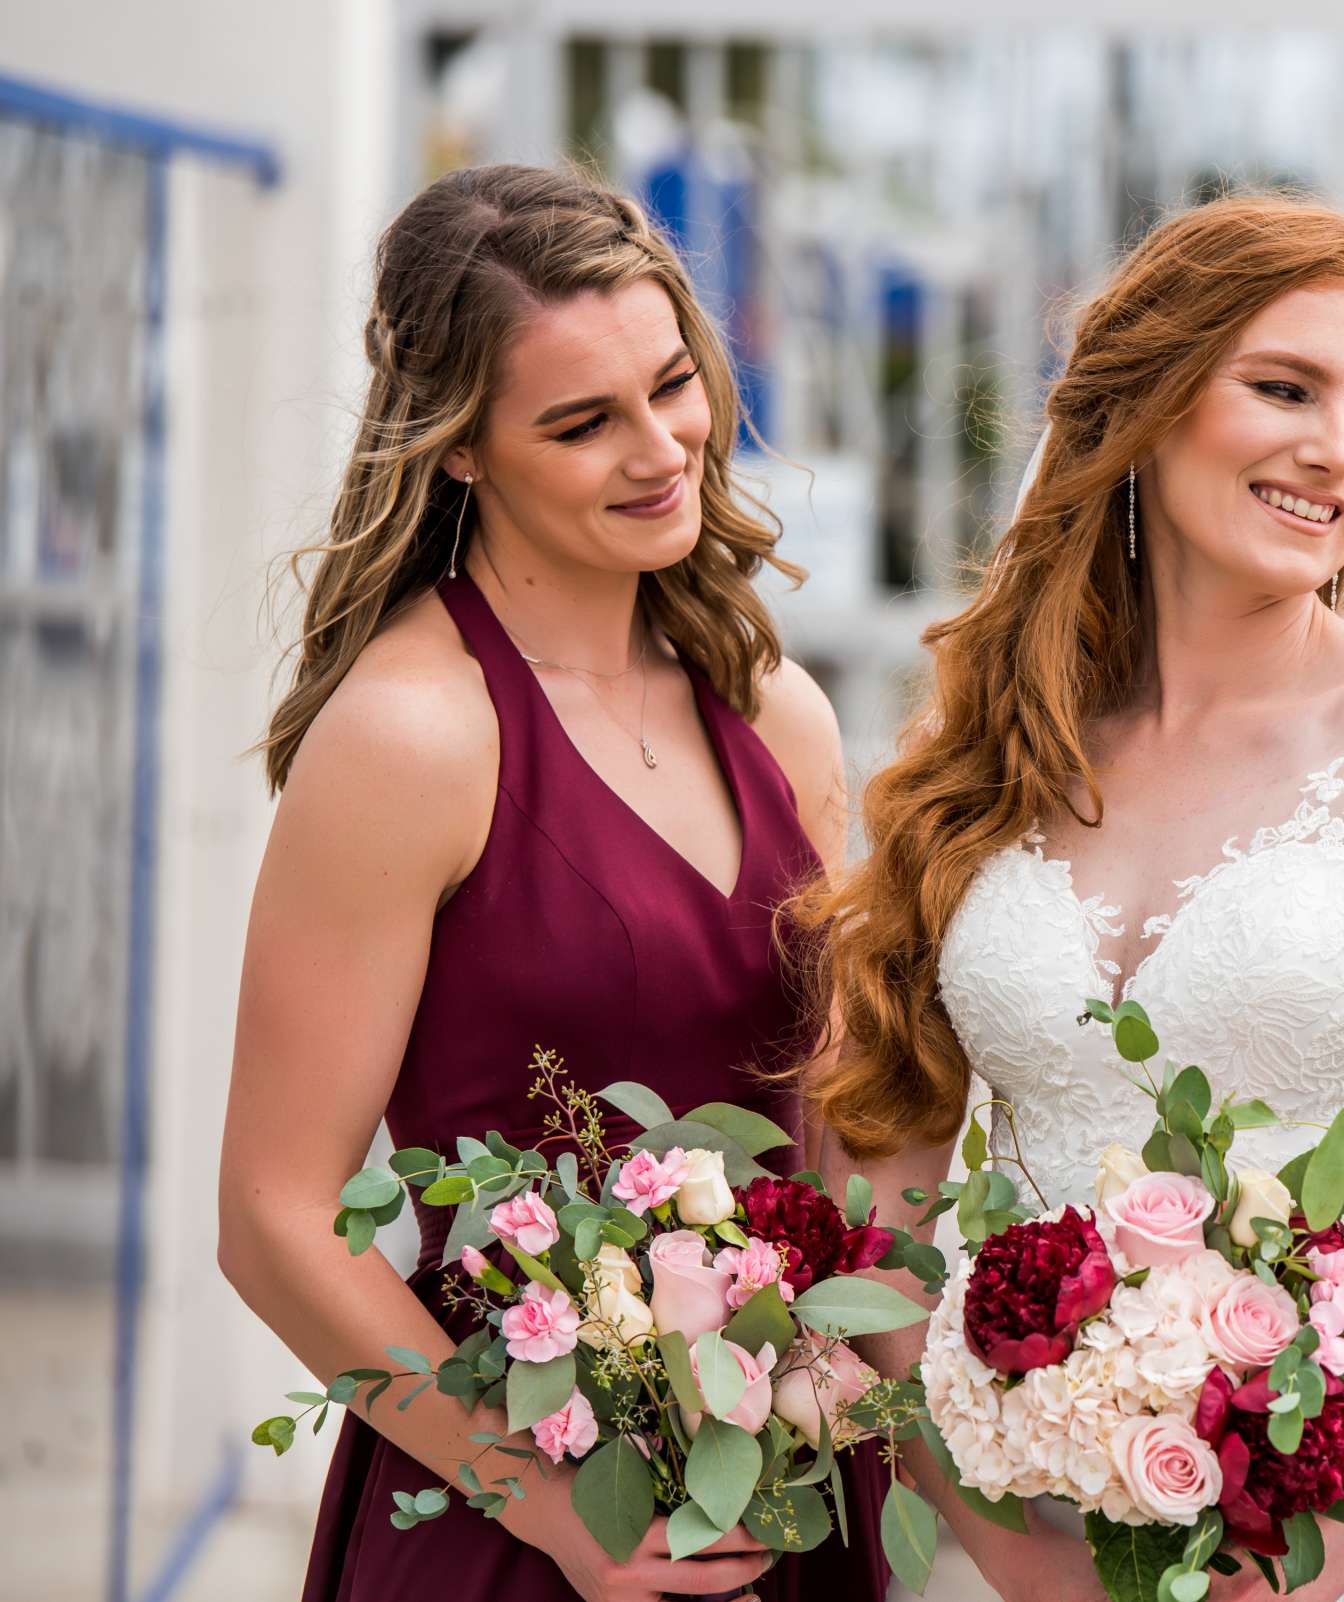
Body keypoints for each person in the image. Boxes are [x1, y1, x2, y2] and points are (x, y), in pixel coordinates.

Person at [797, 195, 1344, 1602]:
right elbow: (888, 1168)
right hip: (1001, 1540)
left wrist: (1307, 1550)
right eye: (1283, 389)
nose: (1334, 451)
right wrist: (985, 1533)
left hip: (1320, 1550)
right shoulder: (992, 749)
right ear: (1149, 409)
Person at [218, 164, 884, 1602]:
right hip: (512, 1517)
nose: (662, 450)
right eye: (584, 422)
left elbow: (831, 1121)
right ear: (460, 448)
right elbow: (272, 1213)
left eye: (673, 386)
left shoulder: (776, 710)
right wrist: (548, 1508)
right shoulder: (414, 734)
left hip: (783, 1491)